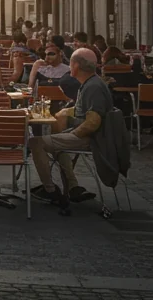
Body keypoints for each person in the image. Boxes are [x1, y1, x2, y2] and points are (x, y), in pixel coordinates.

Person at [29, 48, 110, 207]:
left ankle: (50, 190)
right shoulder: (91, 82)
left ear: (76, 66)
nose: (69, 66)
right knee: (56, 139)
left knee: (35, 143)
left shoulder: (93, 87)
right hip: (91, 135)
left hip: (91, 138)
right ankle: (72, 187)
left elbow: (93, 122)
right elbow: (86, 110)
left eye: (71, 63)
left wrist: (73, 134)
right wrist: (66, 112)